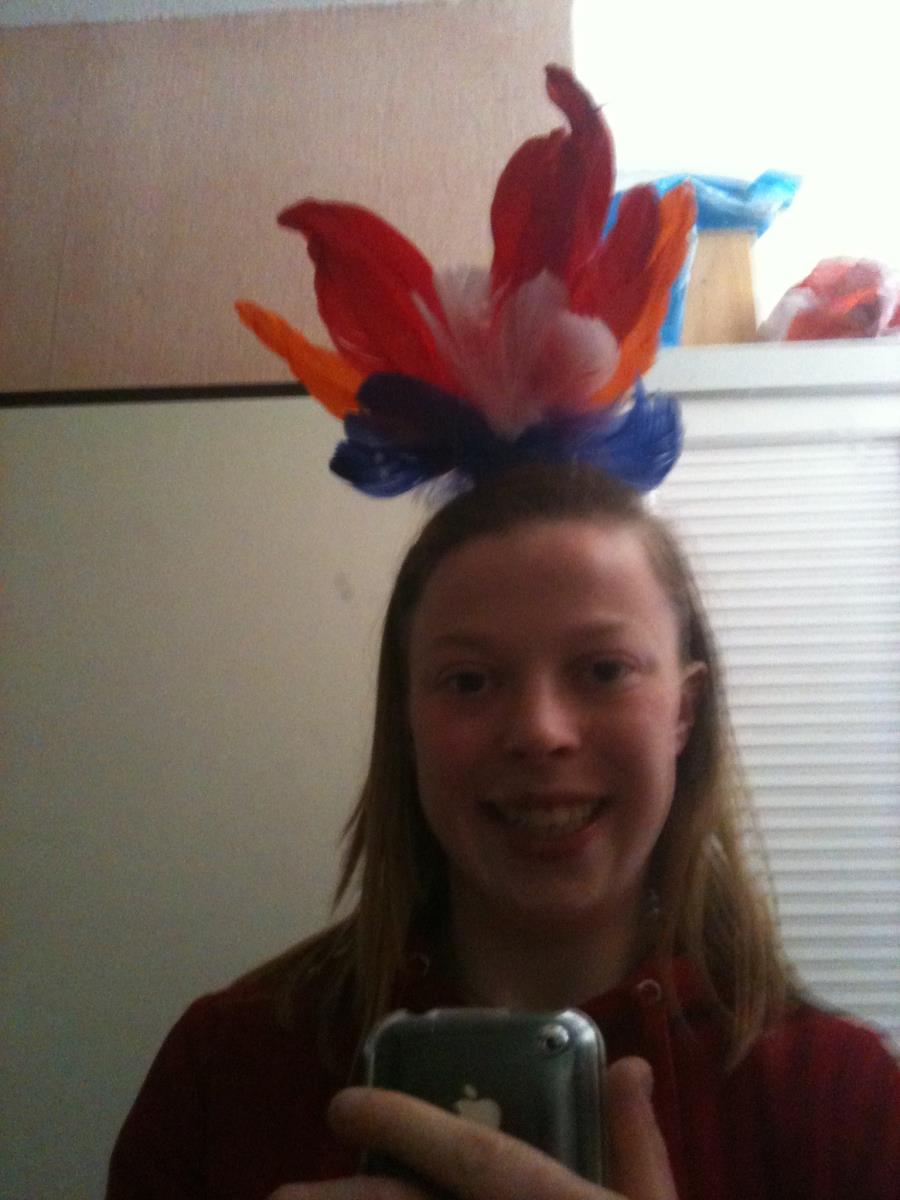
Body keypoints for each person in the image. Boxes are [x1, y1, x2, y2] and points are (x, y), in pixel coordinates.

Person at [107, 67, 900, 1200]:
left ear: (685, 707)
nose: (540, 731)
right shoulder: (226, 1070)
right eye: (470, 680)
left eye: (603, 669)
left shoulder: (842, 1101)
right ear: (407, 717)